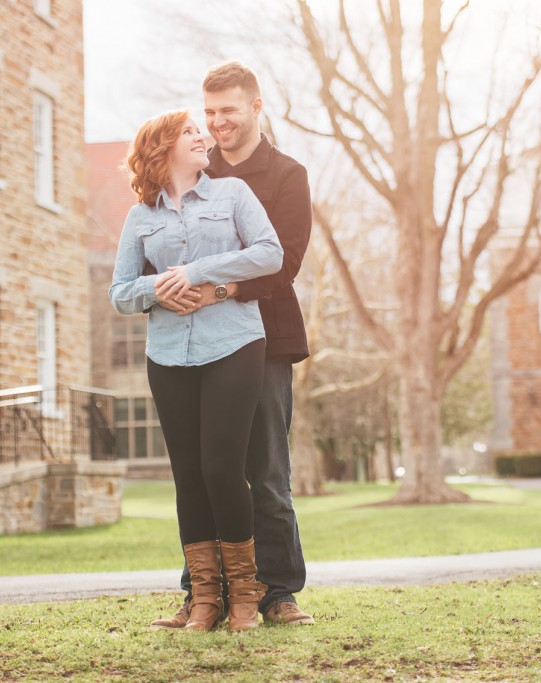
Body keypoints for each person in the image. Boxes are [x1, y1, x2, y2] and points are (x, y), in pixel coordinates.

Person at [149, 62, 315, 628]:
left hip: (265, 342)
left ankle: (278, 592)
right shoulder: (191, 169)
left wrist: (219, 286)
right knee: (201, 468)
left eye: (229, 110)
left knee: (264, 468)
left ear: (256, 107)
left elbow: (284, 262)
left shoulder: (288, 175)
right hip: (196, 342)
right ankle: (203, 593)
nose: (217, 123)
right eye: (210, 112)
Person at [109, 109, 283, 631]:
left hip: (233, 343)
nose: (202, 136)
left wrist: (197, 271)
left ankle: (245, 598)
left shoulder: (232, 195)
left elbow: (270, 254)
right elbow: (120, 293)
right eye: (189, 132)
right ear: (161, 150)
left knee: (222, 468)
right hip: (167, 355)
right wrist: (157, 288)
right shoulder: (141, 216)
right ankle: (204, 599)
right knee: (187, 476)